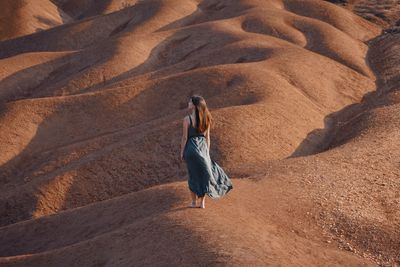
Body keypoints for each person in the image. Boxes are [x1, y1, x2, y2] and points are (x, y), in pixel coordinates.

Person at [180, 95, 233, 209]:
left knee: (193, 175)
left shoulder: (187, 119)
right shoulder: (207, 118)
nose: (188, 103)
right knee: (204, 175)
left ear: (194, 105)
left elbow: (184, 138)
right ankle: (202, 202)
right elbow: (207, 137)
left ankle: (194, 202)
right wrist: (206, 152)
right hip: (203, 148)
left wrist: (182, 152)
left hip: (191, 149)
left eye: (190, 102)